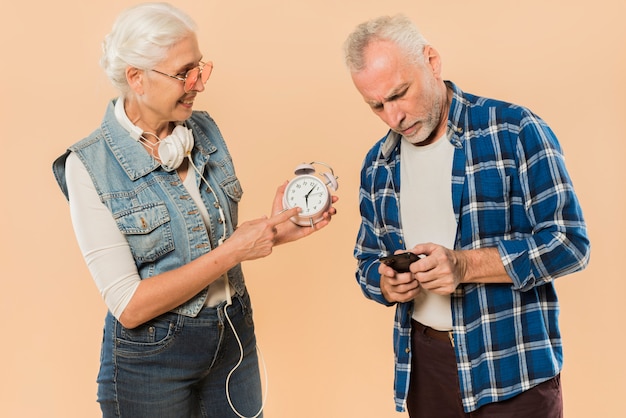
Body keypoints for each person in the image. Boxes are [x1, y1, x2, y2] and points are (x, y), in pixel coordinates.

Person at [52, 3, 336, 417]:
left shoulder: (203, 130)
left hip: (233, 336)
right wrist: (234, 251)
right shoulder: (88, 166)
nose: (198, 83)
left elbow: (212, 239)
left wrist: (274, 230)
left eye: (200, 67)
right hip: (152, 361)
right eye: (184, 72)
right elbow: (129, 305)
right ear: (137, 78)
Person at [343, 14, 589, 417]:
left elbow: (569, 243)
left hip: (514, 372)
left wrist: (464, 265)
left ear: (432, 61)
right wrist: (385, 284)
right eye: (376, 105)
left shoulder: (514, 130)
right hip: (425, 370)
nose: (393, 117)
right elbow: (366, 261)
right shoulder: (378, 163)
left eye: (400, 93)